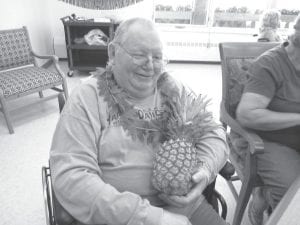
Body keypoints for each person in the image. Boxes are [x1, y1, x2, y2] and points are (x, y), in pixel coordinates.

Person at [50, 17, 229, 225]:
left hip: (187, 207)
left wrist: (205, 171)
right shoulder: (87, 98)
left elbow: (215, 133)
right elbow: (71, 177)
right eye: (139, 55)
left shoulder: (172, 88)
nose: (150, 65)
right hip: (117, 217)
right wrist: (153, 218)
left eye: (158, 56)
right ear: (112, 53)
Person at [236, 14, 300, 225]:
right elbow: (247, 114)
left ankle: (265, 198)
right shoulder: (269, 65)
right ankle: (264, 202)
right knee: (295, 199)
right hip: (270, 141)